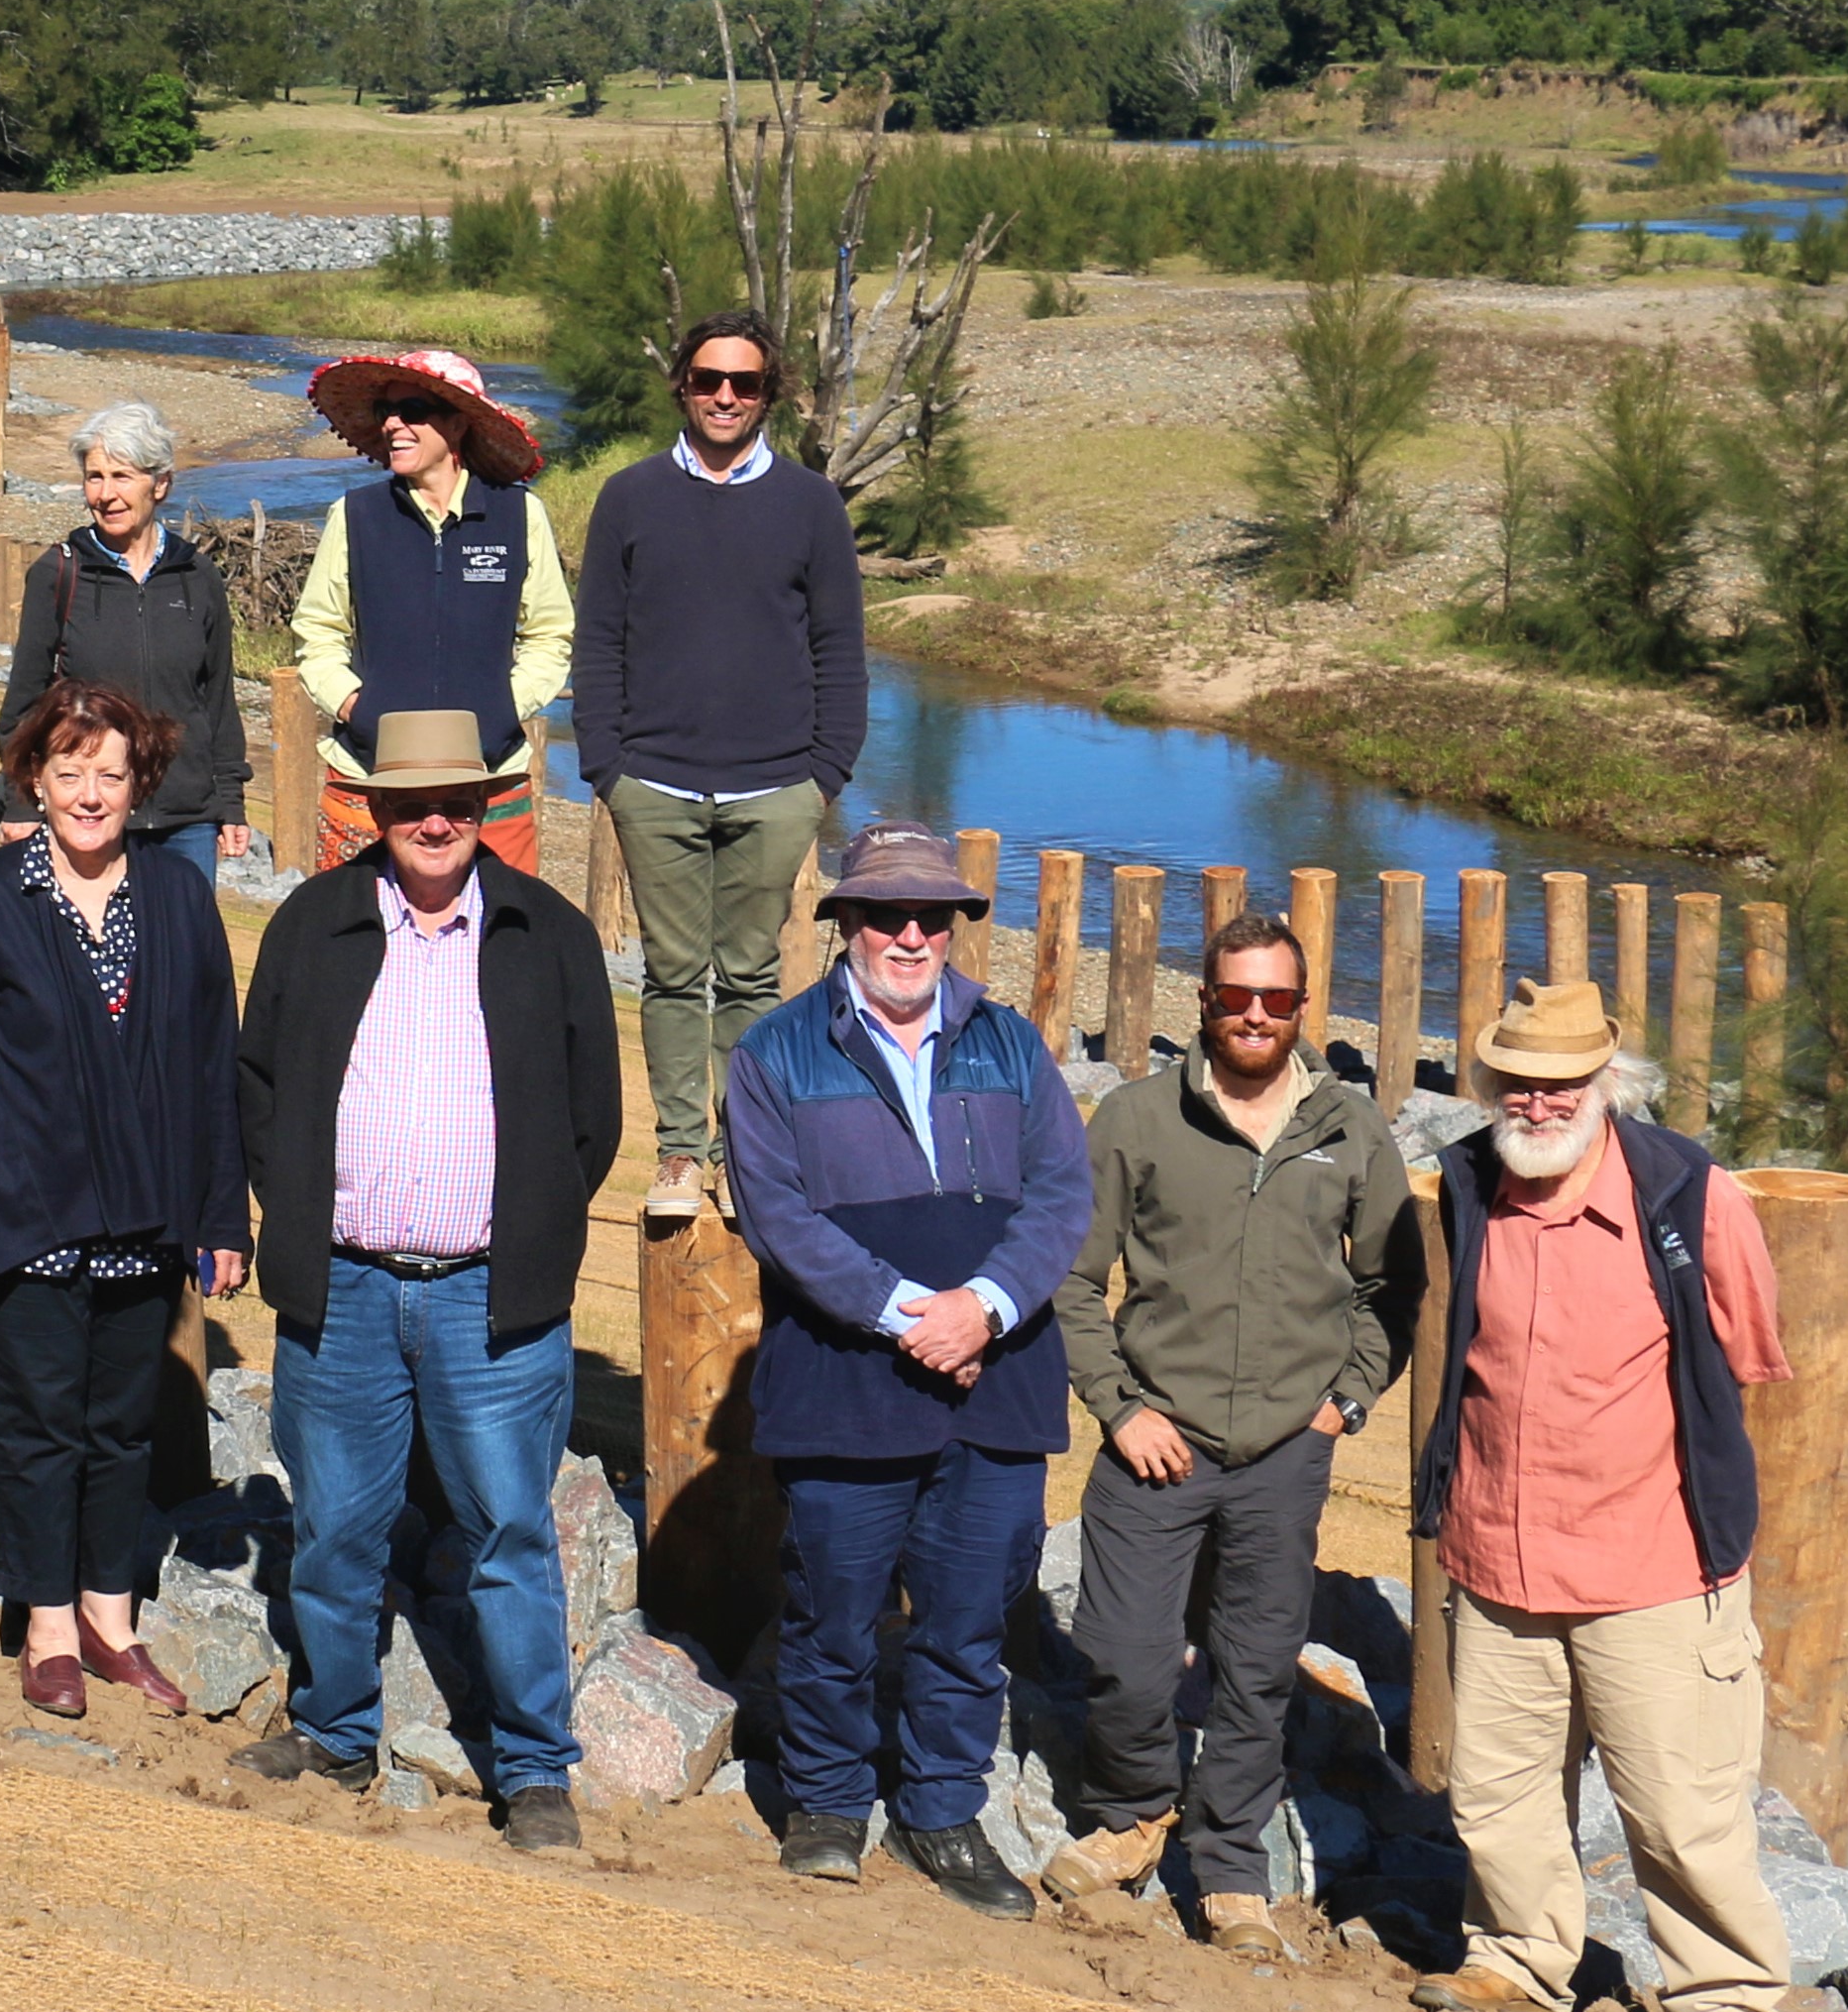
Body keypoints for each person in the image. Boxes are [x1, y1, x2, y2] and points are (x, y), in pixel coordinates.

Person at [230, 710, 623, 1854]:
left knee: (509, 1532)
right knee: (335, 1526)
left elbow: (590, 1119)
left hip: (488, 1298)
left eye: (457, 801)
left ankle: (536, 1769)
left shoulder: (546, 935)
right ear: (374, 808)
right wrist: (300, 1212)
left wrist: (532, 1224)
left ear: (491, 806)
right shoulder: (315, 921)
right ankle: (336, 1730)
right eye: (411, 803)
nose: (435, 820)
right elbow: (260, 1085)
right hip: (344, 1287)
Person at [1407, 977, 1797, 2012]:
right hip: (1495, 1555)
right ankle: (1516, 1960)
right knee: (1496, 1791)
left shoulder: (1694, 1195)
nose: (1537, 1105)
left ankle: (1728, 2011)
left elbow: (1749, 1360)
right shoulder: (1470, 1181)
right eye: (1517, 1085)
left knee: (1683, 1807)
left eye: (1561, 1085)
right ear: (1486, 1086)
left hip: (1653, 1569)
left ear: (1605, 1086)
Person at [715, 821, 1085, 1911]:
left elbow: (1064, 1196)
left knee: (971, 1619)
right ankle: (827, 1801)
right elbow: (780, 1219)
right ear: (847, 923)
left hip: (998, 1384)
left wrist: (985, 1306)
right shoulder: (777, 1052)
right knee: (833, 1611)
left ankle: (941, 1812)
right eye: (887, 914)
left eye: (934, 916)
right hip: (845, 1385)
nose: (911, 935)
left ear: (958, 927)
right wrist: (907, 1315)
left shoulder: (1013, 1045)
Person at [1043, 904, 1418, 1943]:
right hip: (1154, 1442)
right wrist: (1119, 1410)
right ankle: (1133, 1812)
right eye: (1235, 997)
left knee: (1256, 1668)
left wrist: (1346, 1402)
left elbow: (1395, 1285)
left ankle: (1231, 1864)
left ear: (1302, 1010)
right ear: (1203, 1004)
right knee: (1122, 1649)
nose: (1255, 1015)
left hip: (1284, 1454)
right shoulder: (1135, 1119)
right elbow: (1073, 1283)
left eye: (1277, 999)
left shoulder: (1348, 1126)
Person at [0, 682, 248, 1718]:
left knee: (122, 1430)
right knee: (40, 1426)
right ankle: (47, 1628)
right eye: (70, 773)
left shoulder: (181, 900)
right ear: (33, 780)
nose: (91, 794)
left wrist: (222, 1218)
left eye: (110, 774)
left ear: (139, 783)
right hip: (27, 1217)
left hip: (144, 1221)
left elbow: (209, 1066)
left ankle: (113, 1622)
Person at [568, 305, 864, 1228]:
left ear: (768, 392)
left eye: (743, 382)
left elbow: (840, 650)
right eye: (708, 381)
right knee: (669, 974)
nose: (724, 396)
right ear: (683, 388)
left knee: (749, 978)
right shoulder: (630, 496)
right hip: (651, 781)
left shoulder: (812, 504)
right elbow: (600, 642)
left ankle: (745, 1154)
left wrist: (826, 773)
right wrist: (606, 765)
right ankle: (680, 1152)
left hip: (777, 787)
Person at [286, 345, 571, 877]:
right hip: (365, 778)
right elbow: (317, 631)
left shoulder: (519, 514)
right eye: (385, 413)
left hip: (493, 779)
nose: (394, 424)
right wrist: (356, 708)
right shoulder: (354, 515)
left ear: (458, 425)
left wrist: (504, 708)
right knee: (353, 942)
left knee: (502, 946)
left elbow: (550, 635)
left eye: (412, 410)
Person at [0, 401, 247, 894]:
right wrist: (21, 802)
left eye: (122, 476)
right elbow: (24, 704)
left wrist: (230, 800)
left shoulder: (197, 577)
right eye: (94, 477)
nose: (105, 494)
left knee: (181, 963)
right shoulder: (58, 573)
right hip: (90, 813)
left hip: (186, 821)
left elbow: (216, 700)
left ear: (161, 484)